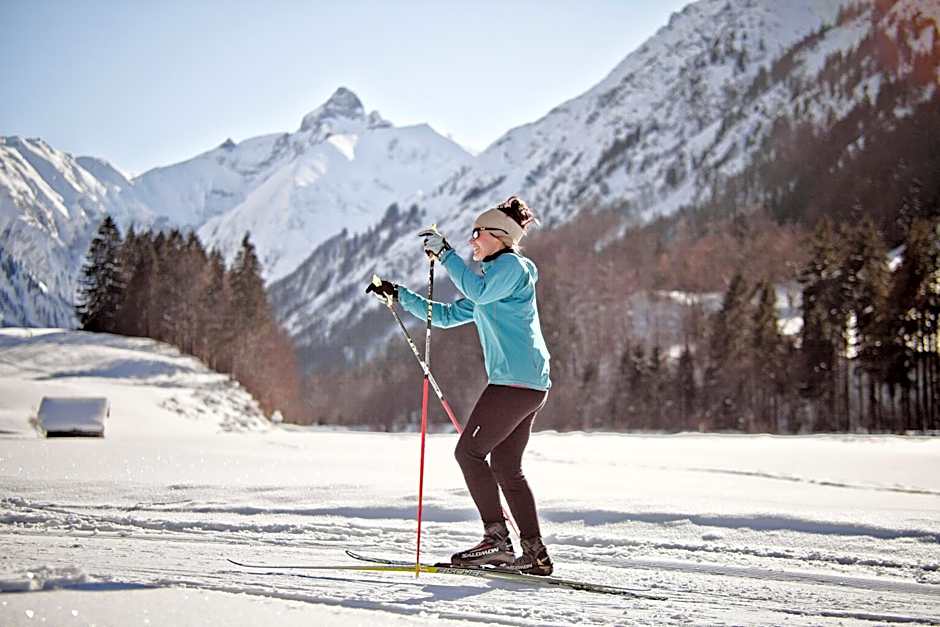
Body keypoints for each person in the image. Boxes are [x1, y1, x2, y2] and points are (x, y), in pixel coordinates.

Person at [366, 196, 553, 576]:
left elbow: (477, 293)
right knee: (505, 465)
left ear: (499, 236)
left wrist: (447, 254)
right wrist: (401, 296)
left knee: (468, 454)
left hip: (514, 383)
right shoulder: (491, 282)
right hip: (526, 383)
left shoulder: (512, 268)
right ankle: (534, 552)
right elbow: (449, 315)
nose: (472, 241)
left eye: (477, 233)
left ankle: (496, 540)